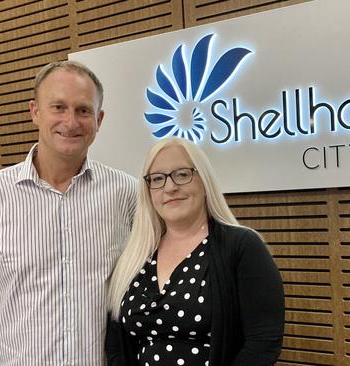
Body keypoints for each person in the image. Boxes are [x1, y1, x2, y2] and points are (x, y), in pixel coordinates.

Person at [0, 60, 137, 365]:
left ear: (99, 119)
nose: (71, 122)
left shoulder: (127, 194)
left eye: (83, 110)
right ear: (35, 111)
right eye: (58, 107)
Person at [106, 137, 285, 365]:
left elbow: (263, 342)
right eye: (158, 179)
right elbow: (115, 344)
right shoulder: (135, 255)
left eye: (182, 174)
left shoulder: (242, 246)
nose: (170, 187)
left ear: (204, 181)